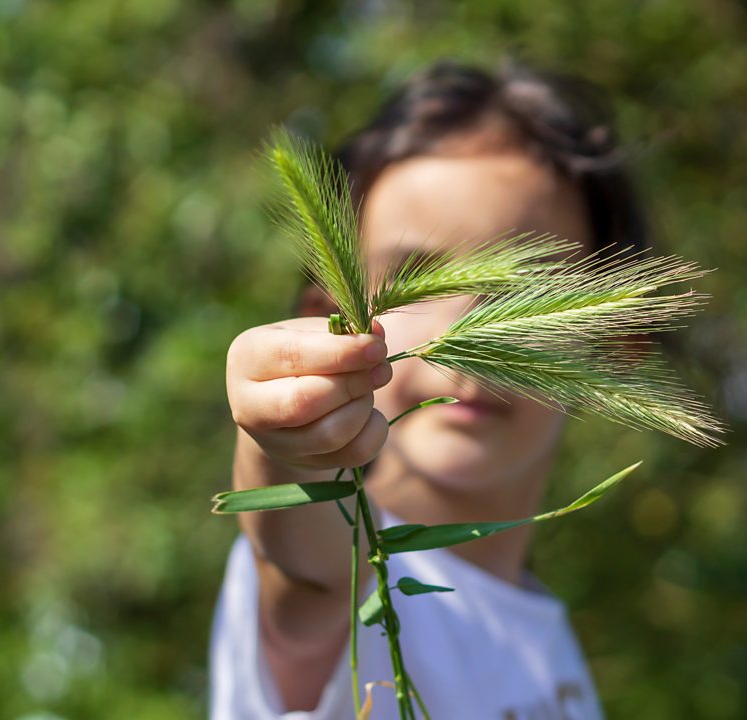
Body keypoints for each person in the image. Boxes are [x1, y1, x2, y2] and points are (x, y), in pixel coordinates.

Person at [211, 59, 648, 719]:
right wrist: (290, 441)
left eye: (528, 292)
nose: (466, 337)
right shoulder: (345, 577)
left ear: (613, 344)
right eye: (415, 280)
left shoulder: (545, 638)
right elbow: (302, 564)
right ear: (323, 320)